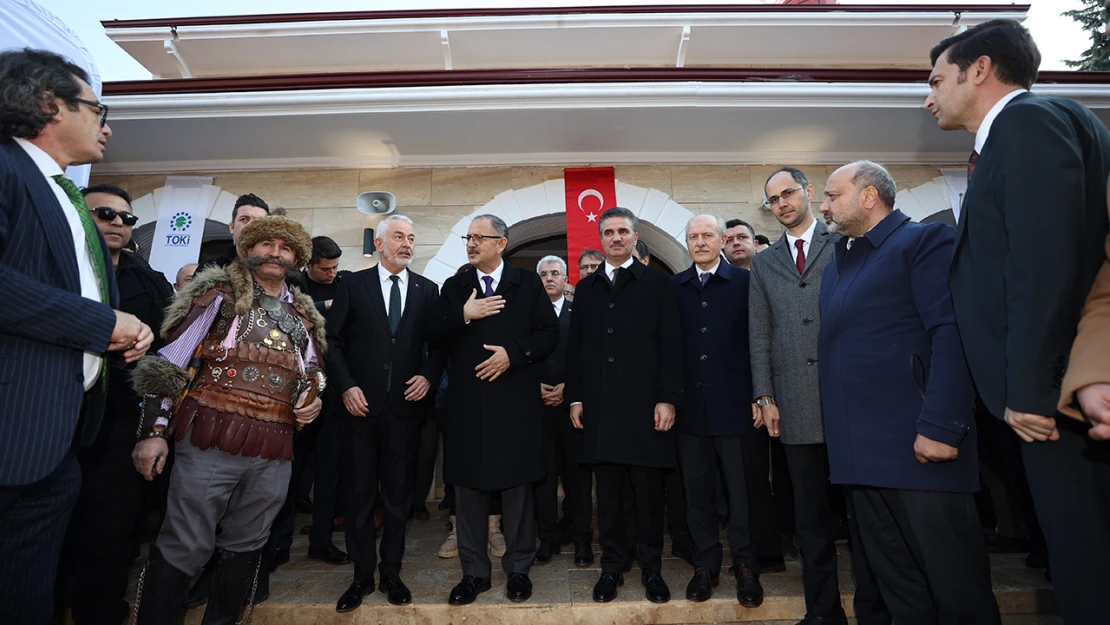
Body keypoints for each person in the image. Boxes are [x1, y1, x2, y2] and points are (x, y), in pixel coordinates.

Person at [927, 19, 1110, 623]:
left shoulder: (1029, 124)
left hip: (1054, 400)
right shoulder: (1027, 132)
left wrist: (1032, 388)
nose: (929, 97)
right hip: (1057, 391)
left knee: (1086, 558)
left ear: (979, 69)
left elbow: (1045, 259)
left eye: (937, 80)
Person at [0, 48, 153, 625]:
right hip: (13, 424)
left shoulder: (63, 197)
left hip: (60, 437)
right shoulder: (7, 169)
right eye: (96, 107)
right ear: (49, 103)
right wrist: (101, 324)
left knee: (26, 598)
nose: (106, 124)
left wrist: (121, 331)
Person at [818, 161, 1000, 624]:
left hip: (920, 451)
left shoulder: (923, 242)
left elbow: (952, 333)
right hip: (860, 460)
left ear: (868, 196)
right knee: (901, 595)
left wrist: (941, 426)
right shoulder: (837, 265)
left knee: (958, 593)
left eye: (832, 195)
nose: (823, 206)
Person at [128, 216, 325, 624]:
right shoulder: (218, 295)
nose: (275, 252)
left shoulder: (304, 315)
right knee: (186, 542)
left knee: (250, 543)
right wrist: (154, 433)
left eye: (285, 248)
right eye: (266, 244)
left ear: (297, 259)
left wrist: (313, 399)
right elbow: (169, 364)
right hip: (210, 437)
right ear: (245, 249)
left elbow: (313, 372)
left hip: (275, 445)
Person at [750, 167, 879, 625]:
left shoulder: (845, 242)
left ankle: (873, 609)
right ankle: (822, 613)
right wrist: (765, 396)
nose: (782, 203)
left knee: (864, 518)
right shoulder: (763, 264)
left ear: (807, 193)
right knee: (810, 521)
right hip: (795, 404)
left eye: (788, 193)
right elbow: (760, 332)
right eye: (773, 199)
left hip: (850, 400)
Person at [427, 214, 559, 605]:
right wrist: (465, 315)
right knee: (468, 490)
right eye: (468, 237)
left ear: (501, 243)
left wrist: (513, 355)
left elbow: (548, 335)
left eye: (479, 237)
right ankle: (474, 574)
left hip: (515, 404)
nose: (470, 243)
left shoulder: (527, 283)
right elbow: (434, 334)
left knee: (518, 488)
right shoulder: (456, 285)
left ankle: (518, 569)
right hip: (468, 406)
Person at [62, 183, 174, 625]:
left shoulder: (147, 278)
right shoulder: (61, 268)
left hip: (123, 418)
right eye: (105, 214)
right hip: (60, 413)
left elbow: (171, 349)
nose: (117, 223)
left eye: (127, 218)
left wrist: (155, 429)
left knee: (111, 525)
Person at [327, 215, 446, 610]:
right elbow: (334, 341)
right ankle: (362, 576)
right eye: (398, 237)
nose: (406, 244)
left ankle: (391, 572)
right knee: (359, 496)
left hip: (405, 410)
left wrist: (429, 376)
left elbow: (439, 346)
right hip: (359, 408)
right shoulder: (352, 285)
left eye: (411, 237)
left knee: (399, 497)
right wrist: (346, 386)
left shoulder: (428, 290)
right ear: (379, 244)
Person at [567, 207, 683, 604]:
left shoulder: (657, 284)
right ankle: (612, 567)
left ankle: (652, 569)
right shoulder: (585, 289)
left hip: (646, 408)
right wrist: (576, 398)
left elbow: (672, 347)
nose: (616, 238)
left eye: (623, 231)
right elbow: (577, 350)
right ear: (601, 239)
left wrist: (668, 398)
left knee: (650, 497)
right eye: (609, 232)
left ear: (635, 237)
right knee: (610, 497)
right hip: (601, 409)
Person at [671, 214, 764, 607]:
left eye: (708, 235)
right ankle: (704, 566)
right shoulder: (675, 286)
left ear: (722, 240)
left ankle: (746, 567)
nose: (700, 242)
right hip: (691, 410)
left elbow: (761, 341)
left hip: (737, 407)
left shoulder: (746, 282)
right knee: (698, 494)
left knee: (742, 494)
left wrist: (763, 396)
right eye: (693, 237)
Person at [533, 255, 594, 567]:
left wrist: (567, 390)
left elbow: (589, 357)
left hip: (574, 408)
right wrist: (536, 388)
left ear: (566, 277)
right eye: (543, 274)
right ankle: (547, 538)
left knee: (577, 478)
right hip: (537, 408)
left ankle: (583, 539)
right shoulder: (527, 314)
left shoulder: (579, 311)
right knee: (543, 478)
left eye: (555, 273)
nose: (548, 279)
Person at [197, 193, 270, 271]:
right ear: (232, 227)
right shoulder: (207, 270)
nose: (250, 226)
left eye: (257, 221)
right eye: (244, 219)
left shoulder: (279, 269)